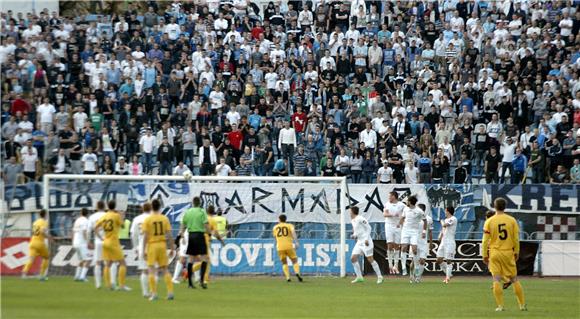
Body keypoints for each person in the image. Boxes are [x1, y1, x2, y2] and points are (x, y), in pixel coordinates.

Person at [482, 198, 527, 312]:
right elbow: (516, 238)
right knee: (514, 279)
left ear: (494, 206)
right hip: (508, 252)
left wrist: (484, 254)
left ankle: (500, 306)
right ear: (505, 206)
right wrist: (516, 251)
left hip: (495, 252)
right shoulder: (512, 220)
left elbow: (484, 241)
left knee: (496, 279)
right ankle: (521, 305)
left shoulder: (489, 221)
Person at [142, 199, 175, 301]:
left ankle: (154, 293)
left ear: (151, 207)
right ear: (160, 207)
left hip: (152, 245)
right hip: (162, 245)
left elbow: (145, 236)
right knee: (165, 269)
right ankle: (170, 292)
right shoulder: (164, 219)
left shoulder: (148, 219)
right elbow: (169, 235)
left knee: (151, 269)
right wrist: (172, 247)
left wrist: (143, 249)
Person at [94, 200, 131, 291]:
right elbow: (122, 226)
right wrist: (120, 217)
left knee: (108, 264)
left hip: (105, 241)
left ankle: (108, 285)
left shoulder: (104, 216)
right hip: (113, 242)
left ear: (108, 206)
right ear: (115, 207)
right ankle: (122, 285)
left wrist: (100, 237)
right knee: (123, 263)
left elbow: (95, 228)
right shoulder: (116, 216)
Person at [179, 197, 212, 289]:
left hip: (191, 236)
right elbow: (206, 224)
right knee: (204, 258)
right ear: (200, 203)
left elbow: (182, 224)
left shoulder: (188, 212)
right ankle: (201, 281)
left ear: (192, 203)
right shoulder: (202, 212)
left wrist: (182, 234)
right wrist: (209, 233)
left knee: (191, 259)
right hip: (200, 235)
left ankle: (190, 283)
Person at [191, 205, 224, 284]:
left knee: (203, 260)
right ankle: (203, 278)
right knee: (206, 260)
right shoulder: (212, 220)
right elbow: (216, 233)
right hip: (204, 240)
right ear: (213, 212)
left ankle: (198, 273)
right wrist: (222, 241)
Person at [350, 206, 383, 284]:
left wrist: (366, 239)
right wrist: (354, 235)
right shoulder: (353, 220)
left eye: (350, 211)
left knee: (370, 259)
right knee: (353, 258)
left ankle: (380, 276)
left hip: (366, 241)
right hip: (359, 242)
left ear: (353, 212)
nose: (349, 213)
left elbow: (369, 228)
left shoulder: (360, 218)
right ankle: (359, 277)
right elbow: (357, 231)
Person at [399, 195, 426, 279]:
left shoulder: (419, 211)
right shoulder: (405, 209)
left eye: (407, 201)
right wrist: (401, 225)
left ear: (410, 202)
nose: (406, 202)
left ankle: (417, 267)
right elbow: (402, 218)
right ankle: (403, 267)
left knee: (414, 249)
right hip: (405, 230)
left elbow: (425, 220)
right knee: (403, 248)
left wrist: (424, 231)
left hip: (414, 231)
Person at [21, 209, 51, 280]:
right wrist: (49, 237)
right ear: (45, 215)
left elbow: (35, 232)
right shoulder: (44, 222)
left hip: (32, 242)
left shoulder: (35, 222)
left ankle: (24, 274)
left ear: (39, 214)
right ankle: (42, 275)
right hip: (39, 243)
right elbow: (42, 231)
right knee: (46, 257)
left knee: (31, 259)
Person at [273, 214, 303, 282]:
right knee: (294, 260)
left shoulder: (275, 227)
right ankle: (297, 273)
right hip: (289, 245)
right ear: (285, 219)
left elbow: (275, 238)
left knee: (284, 262)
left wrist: (276, 245)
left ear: (279, 219)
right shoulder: (290, 225)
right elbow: (293, 233)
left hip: (280, 247)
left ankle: (288, 277)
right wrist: (296, 242)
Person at [130, 202, 151, 298]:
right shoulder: (154, 217)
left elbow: (133, 234)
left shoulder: (136, 219)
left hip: (141, 245)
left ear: (142, 209)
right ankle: (153, 291)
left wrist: (135, 247)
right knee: (153, 270)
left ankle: (145, 292)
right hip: (152, 245)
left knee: (144, 270)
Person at [382, 191, 405, 275]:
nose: (389, 198)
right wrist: (392, 215)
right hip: (388, 225)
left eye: (390, 196)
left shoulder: (402, 205)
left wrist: (401, 221)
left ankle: (396, 266)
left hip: (398, 226)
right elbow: (385, 214)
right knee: (390, 245)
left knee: (397, 246)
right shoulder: (387, 204)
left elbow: (405, 214)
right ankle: (390, 266)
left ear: (394, 196)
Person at [435, 206, 457, 284]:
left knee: (448, 260)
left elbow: (445, 225)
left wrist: (441, 221)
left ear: (448, 211)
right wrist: (440, 236)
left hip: (450, 242)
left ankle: (447, 278)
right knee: (438, 260)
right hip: (443, 242)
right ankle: (449, 274)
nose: (445, 212)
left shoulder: (453, 219)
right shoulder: (446, 219)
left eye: (445, 211)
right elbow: (443, 229)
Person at [88, 201, 107, 289]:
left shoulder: (92, 217)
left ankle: (98, 284)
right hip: (107, 240)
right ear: (104, 206)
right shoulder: (107, 215)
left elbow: (88, 231)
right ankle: (109, 282)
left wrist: (88, 241)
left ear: (96, 207)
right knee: (108, 263)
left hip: (97, 241)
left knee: (97, 263)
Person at [415, 203, 432, 283]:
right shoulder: (415, 218)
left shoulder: (429, 219)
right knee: (415, 261)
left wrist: (431, 242)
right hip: (415, 242)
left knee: (422, 261)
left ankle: (418, 278)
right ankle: (412, 276)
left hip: (424, 243)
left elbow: (431, 232)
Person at [72, 208, 90, 282]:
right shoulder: (86, 221)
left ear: (81, 213)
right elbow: (84, 231)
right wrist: (87, 241)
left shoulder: (77, 220)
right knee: (88, 260)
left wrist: (72, 241)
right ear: (87, 214)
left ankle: (76, 276)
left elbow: (73, 231)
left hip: (75, 242)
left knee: (81, 260)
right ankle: (82, 277)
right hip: (82, 242)